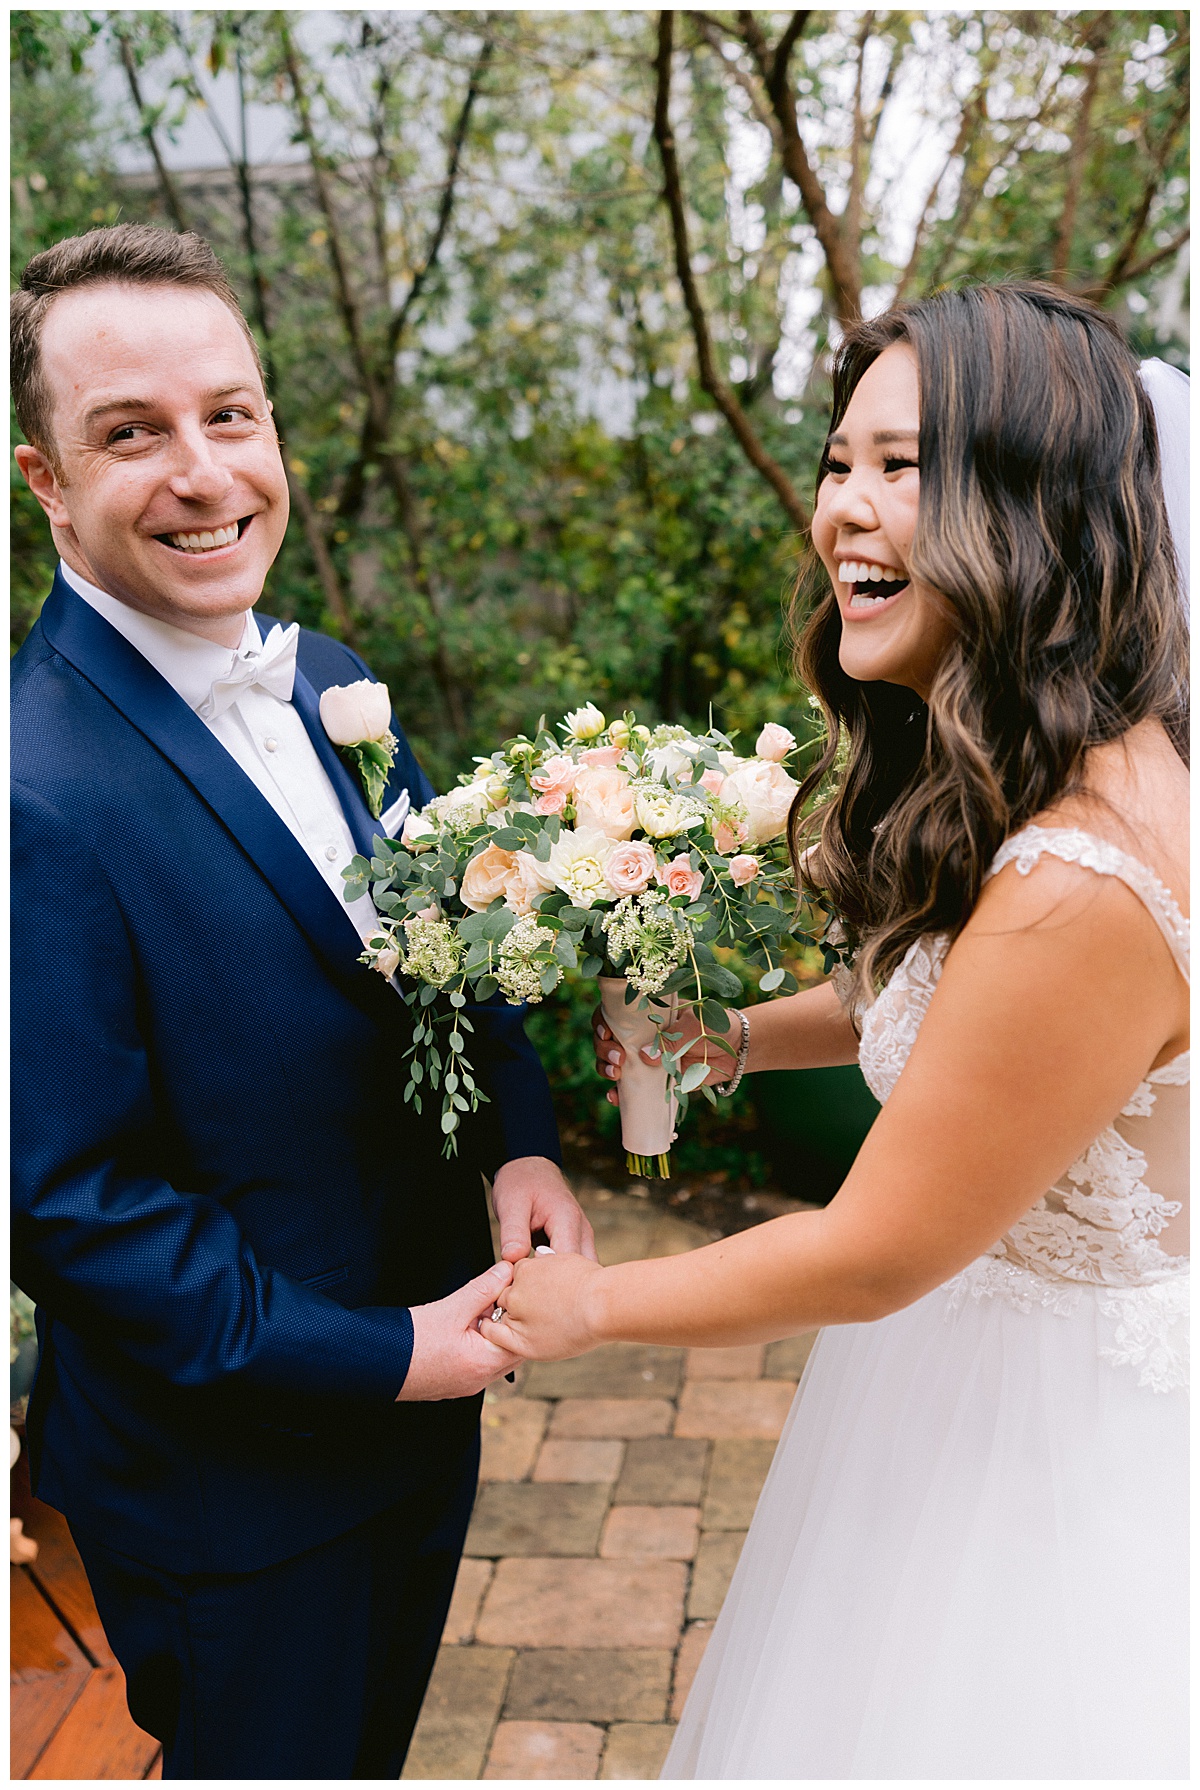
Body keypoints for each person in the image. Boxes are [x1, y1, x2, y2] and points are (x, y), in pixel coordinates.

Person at [488, 282, 1189, 1778]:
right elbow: (940, 1010)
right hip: (965, 1374)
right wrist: (726, 1034)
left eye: (906, 467)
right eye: (839, 461)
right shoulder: (1042, 764)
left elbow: (876, 1247)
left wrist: (590, 1310)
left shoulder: (1085, 877)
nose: (846, 511)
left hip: (1044, 1459)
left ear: (1034, 502)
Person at [10, 223, 595, 1780]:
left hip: (419, 1421)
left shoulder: (324, 670)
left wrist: (520, 1145)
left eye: (232, 414)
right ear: (45, 483)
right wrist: (387, 1352)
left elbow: (452, 948)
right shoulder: (31, 794)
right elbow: (72, 1204)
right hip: (239, 1492)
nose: (204, 472)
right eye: (131, 432)